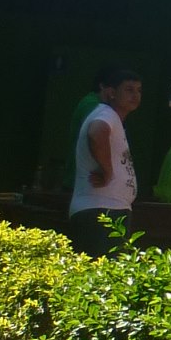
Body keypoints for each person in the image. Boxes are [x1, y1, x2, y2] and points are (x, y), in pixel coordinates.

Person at [70, 66, 141, 256]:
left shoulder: (112, 117)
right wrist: (108, 171)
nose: (135, 95)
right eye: (129, 90)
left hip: (107, 210)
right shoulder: (106, 113)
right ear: (111, 93)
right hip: (101, 210)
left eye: (138, 90)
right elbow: (96, 132)